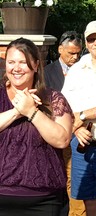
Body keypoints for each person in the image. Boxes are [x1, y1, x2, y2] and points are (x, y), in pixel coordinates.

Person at [0, 37, 74, 216]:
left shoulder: (53, 99)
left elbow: (62, 139)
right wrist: (17, 111)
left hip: (43, 200)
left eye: (23, 62)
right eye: (11, 62)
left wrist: (32, 112)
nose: (16, 68)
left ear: (35, 65)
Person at [44, 31, 85, 216]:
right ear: (60, 49)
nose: (75, 57)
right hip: (53, 133)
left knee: (73, 180)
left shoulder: (85, 71)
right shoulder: (47, 72)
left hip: (77, 133)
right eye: (71, 53)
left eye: (78, 53)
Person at [61, 20, 96, 216]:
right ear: (86, 42)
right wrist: (76, 128)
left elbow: (79, 112)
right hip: (83, 145)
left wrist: (83, 114)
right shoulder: (76, 70)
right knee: (87, 200)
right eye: (91, 39)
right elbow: (64, 108)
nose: (95, 42)